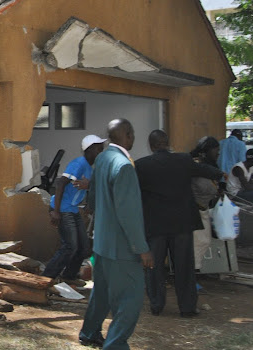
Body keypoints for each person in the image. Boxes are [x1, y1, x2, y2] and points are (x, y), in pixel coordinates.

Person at [79, 119, 153, 349]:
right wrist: (142, 248)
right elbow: (128, 213)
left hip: (101, 243)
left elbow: (92, 197)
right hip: (122, 248)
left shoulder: (102, 158)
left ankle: (90, 332)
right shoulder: (123, 166)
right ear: (129, 135)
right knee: (130, 300)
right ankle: (115, 344)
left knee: (101, 292)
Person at [135, 130, 223, 318]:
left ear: (151, 146)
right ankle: (187, 308)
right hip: (182, 224)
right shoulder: (183, 160)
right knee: (184, 267)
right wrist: (220, 172)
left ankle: (157, 305)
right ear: (167, 142)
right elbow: (208, 171)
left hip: (155, 225)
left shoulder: (141, 165)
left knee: (155, 267)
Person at [42, 135, 106, 285]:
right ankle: (46, 277)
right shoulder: (79, 163)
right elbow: (60, 183)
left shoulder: (89, 168)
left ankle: (69, 276)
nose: (101, 151)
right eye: (99, 148)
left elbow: (84, 187)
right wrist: (56, 211)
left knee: (83, 247)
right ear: (90, 150)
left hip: (72, 209)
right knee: (70, 246)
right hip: (63, 209)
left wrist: (88, 202)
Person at [190, 136, 225, 270]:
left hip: (203, 210)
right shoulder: (196, 165)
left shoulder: (208, 167)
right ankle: (191, 277)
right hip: (194, 211)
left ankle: (192, 274)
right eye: (216, 150)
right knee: (198, 243)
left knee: (203, 242)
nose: (218, 153)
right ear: (207, 150)